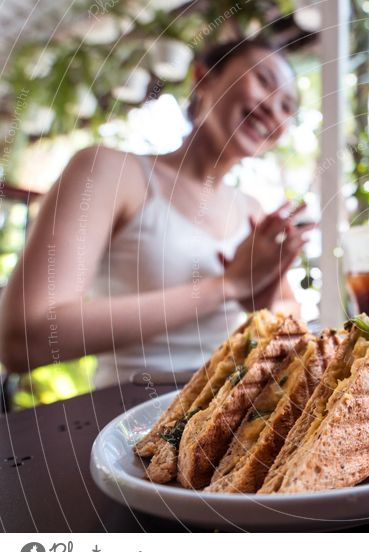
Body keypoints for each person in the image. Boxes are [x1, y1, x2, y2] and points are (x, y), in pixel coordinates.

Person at [0, 37, 314, 387]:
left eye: (288, 106)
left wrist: (261, 301)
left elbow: (290, 315)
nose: (275, 109)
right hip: (124, 424)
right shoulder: (109, 172)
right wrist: (226, 285)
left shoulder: (251, 210)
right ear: (203, 77)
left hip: (228, 420)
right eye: (264, 81)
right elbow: (23, 339)